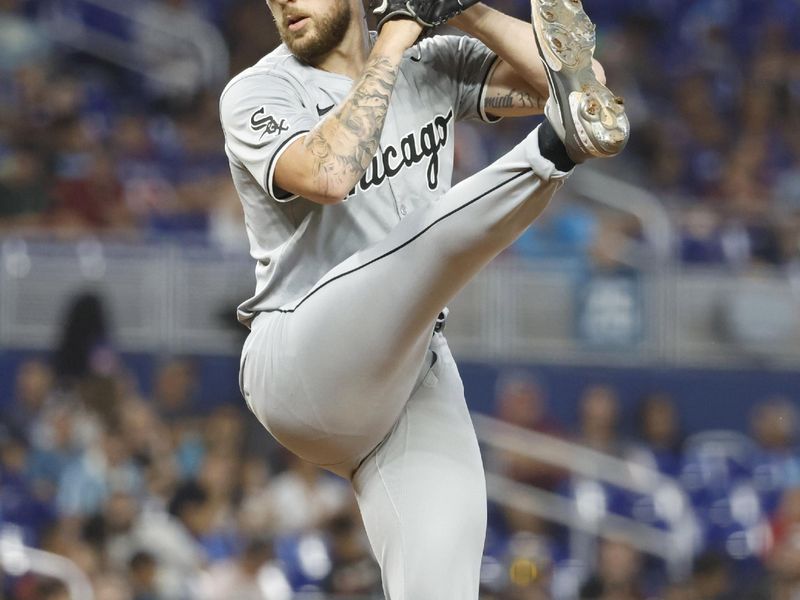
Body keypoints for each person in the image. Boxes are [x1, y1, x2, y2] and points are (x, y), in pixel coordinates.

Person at [219, 0, 629, 596]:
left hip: (409, 373)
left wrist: (464, 10)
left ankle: (559, 142)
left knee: (442, 582)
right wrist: (396, 34)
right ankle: (554, 151)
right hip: (299, 355)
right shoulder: (259, 88)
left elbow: (581, 84)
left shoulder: (431, 63)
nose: (282, 3)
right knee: (423, 246)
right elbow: (330, 175)